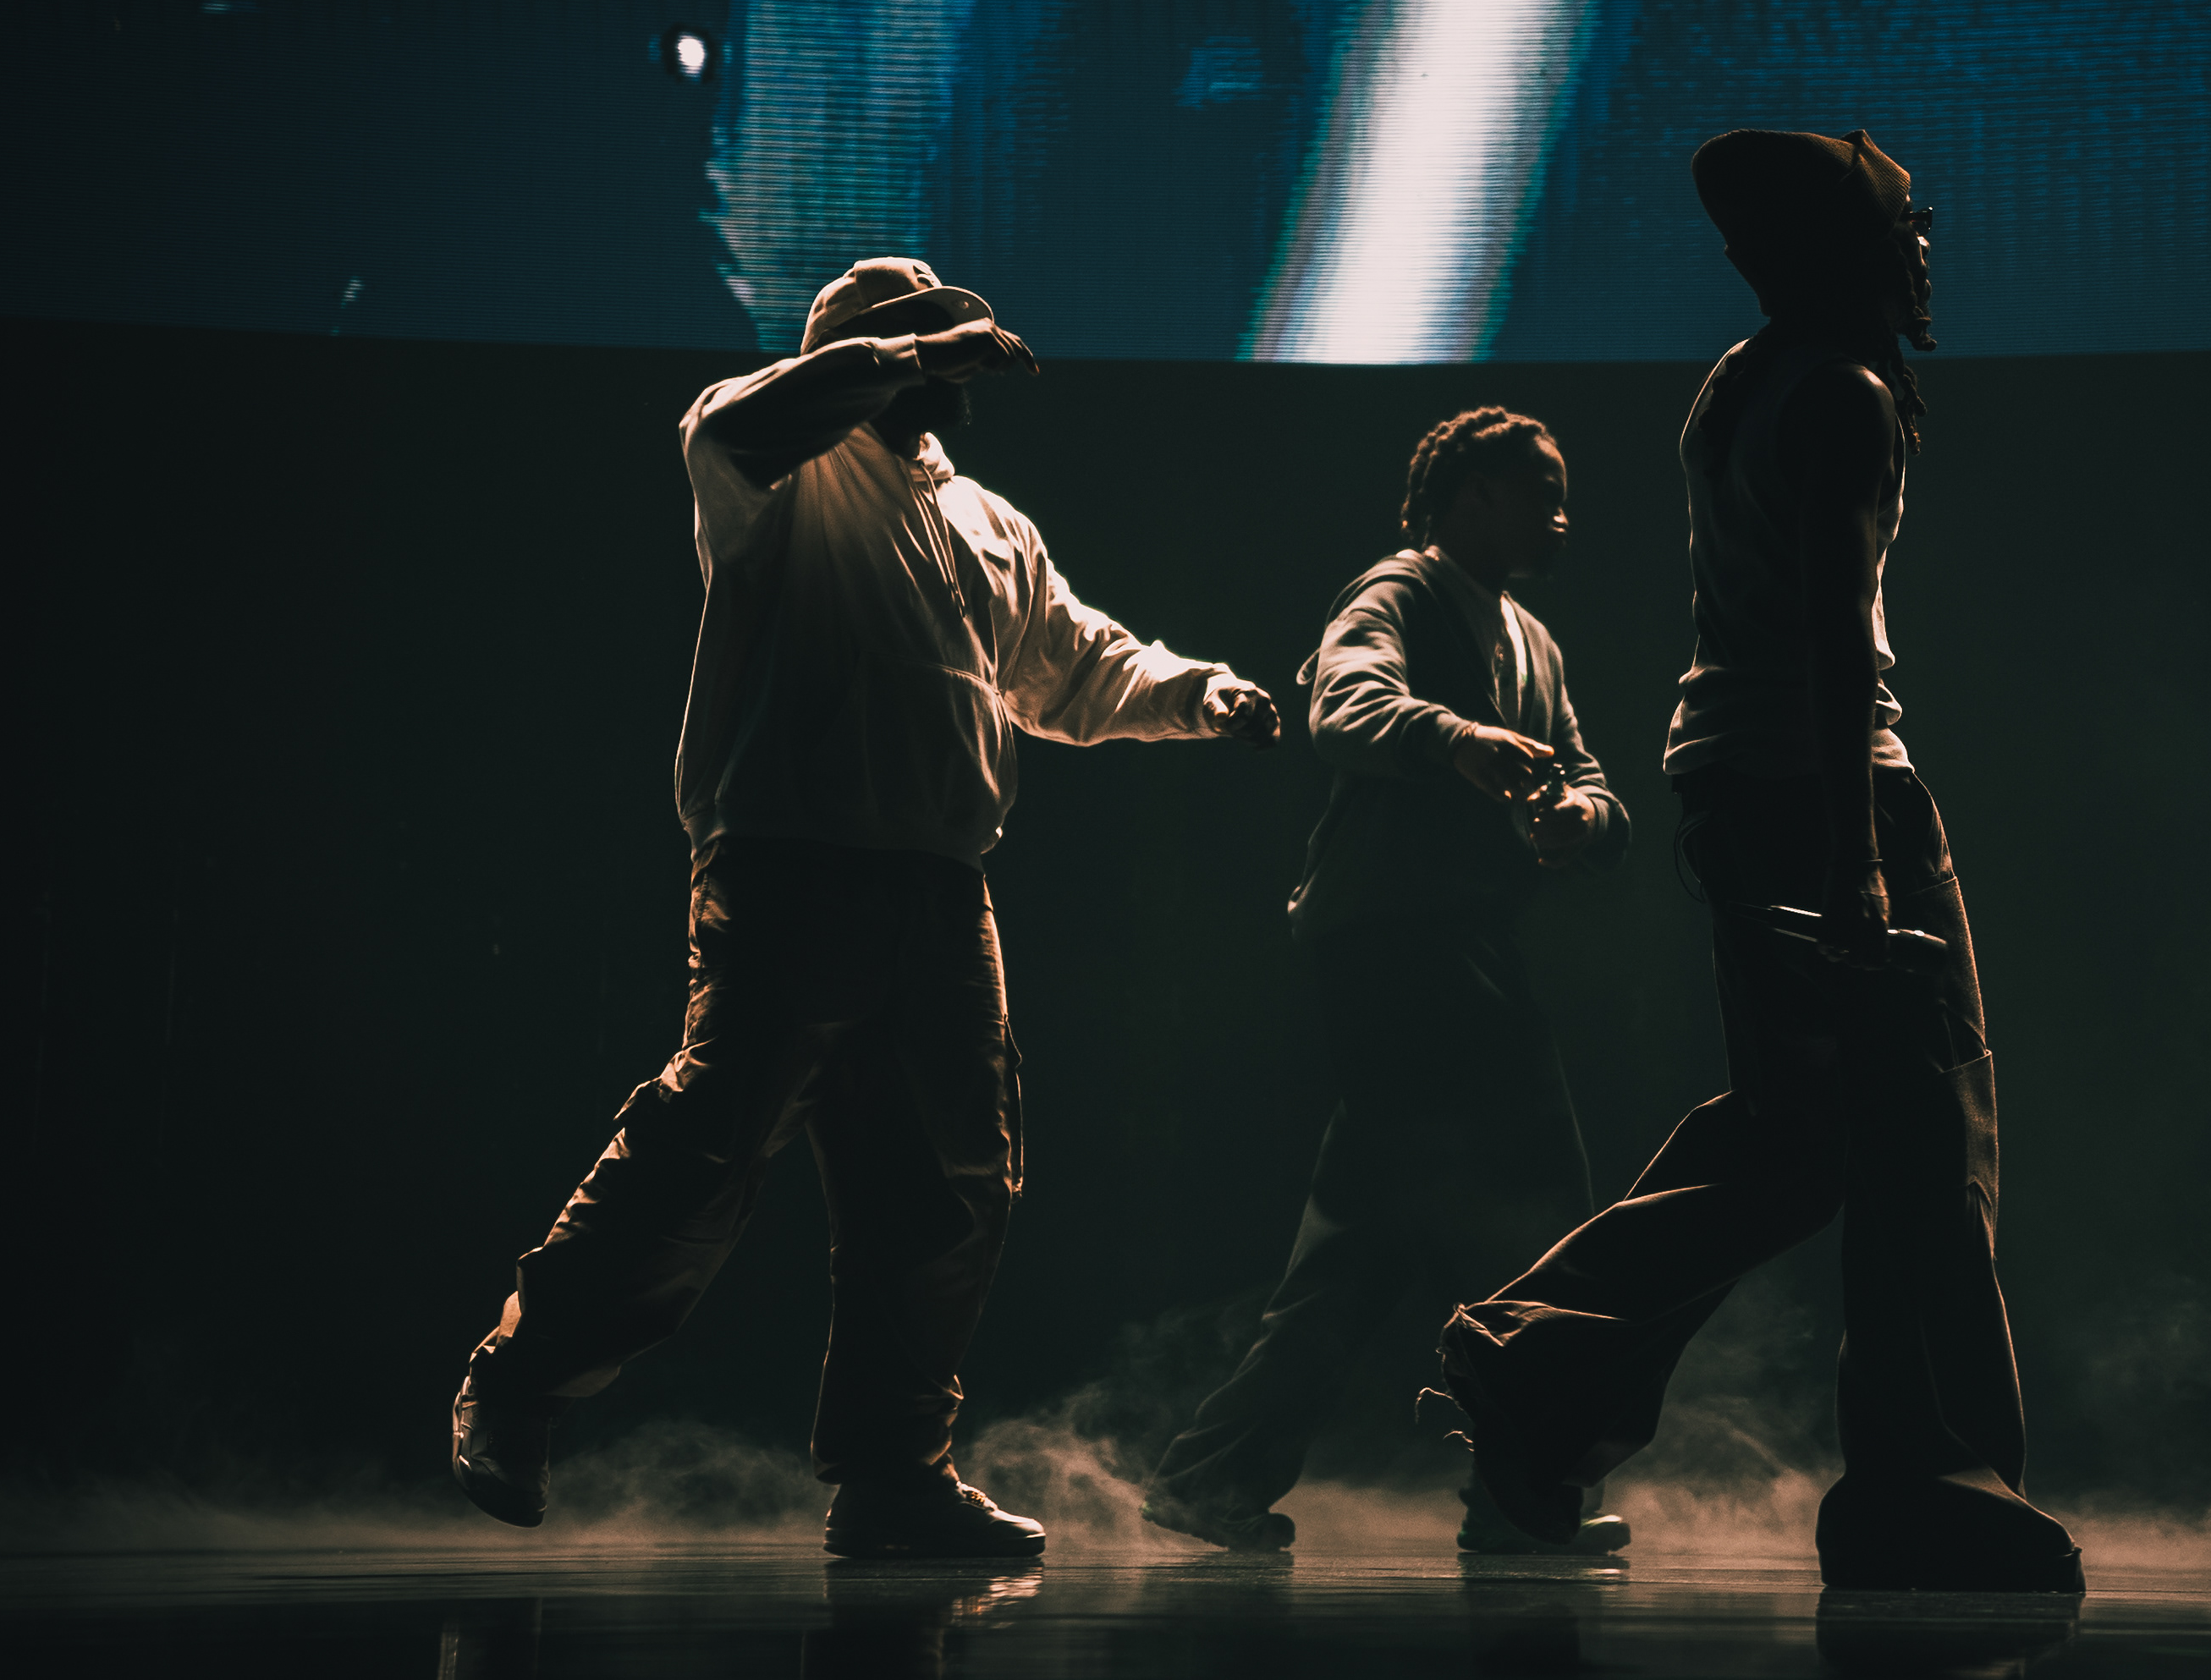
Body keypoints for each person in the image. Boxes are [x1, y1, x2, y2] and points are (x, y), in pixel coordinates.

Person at [448, 256, 1282, 1559]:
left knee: (948, 1190)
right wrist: (911, 350)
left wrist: (1202, 693)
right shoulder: (777, 470)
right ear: (864, 356)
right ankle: (517, 1381)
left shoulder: (989, 519)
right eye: (923, 344)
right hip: (788, 867)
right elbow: (728, 423)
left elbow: (1074, 663)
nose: (952, 363)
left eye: (947, 341)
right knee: (706, 1148)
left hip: (940, 892)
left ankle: (895, 1474)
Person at [1433, 129, 2084, 1596]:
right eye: (1903, 226)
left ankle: (1536, 1363)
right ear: (1848, 249)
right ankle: (1926, 1486)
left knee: (1799, 1140)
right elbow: (1833, 631)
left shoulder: (1745, 378)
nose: (1925, 249)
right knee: (1930, 1142)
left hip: (1737, 785)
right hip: (1828, 791)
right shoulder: (1845, 392)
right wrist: (1859, 863)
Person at [1141, 409, 1634, 1556]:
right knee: (1528, 1213)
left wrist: (1582, 815)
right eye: (1541, 491)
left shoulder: (1531, 639)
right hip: (1396, 945)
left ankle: (1222, 1472)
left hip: (1460, 947)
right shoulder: (1397, 593)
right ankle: (1518, 1491)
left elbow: (1590, 773)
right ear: (1471, 494)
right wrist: (1455, 739)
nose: (1562, 515)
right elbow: (1344, 706)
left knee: (1377, 1234)